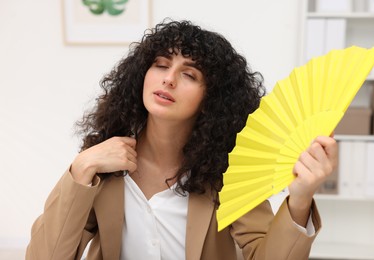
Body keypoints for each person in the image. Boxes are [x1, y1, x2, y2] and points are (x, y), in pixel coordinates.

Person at [26, 19, 338, 260]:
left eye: (189, 75)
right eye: (161, 65)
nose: (168, 78)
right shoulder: (102, 165)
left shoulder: (228, 173)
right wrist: (81, 168)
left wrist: (299, 199)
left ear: (212, 99)